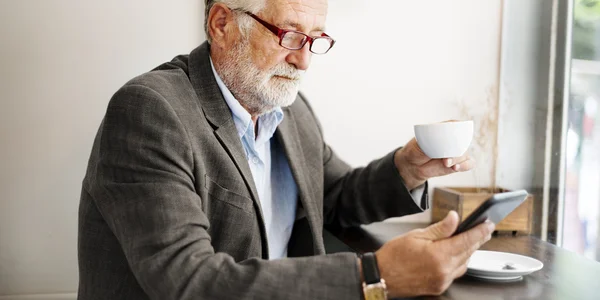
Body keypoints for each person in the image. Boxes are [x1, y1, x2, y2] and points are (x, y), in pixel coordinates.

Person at [77, 0, 494, 299]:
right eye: (291, 35)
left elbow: (332, 196)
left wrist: (408, 168)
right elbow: (189, 282)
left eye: (315, 40)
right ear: (221, 23)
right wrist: (375, 274)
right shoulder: (151, 111)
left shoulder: (284, 107)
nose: (304, 62)